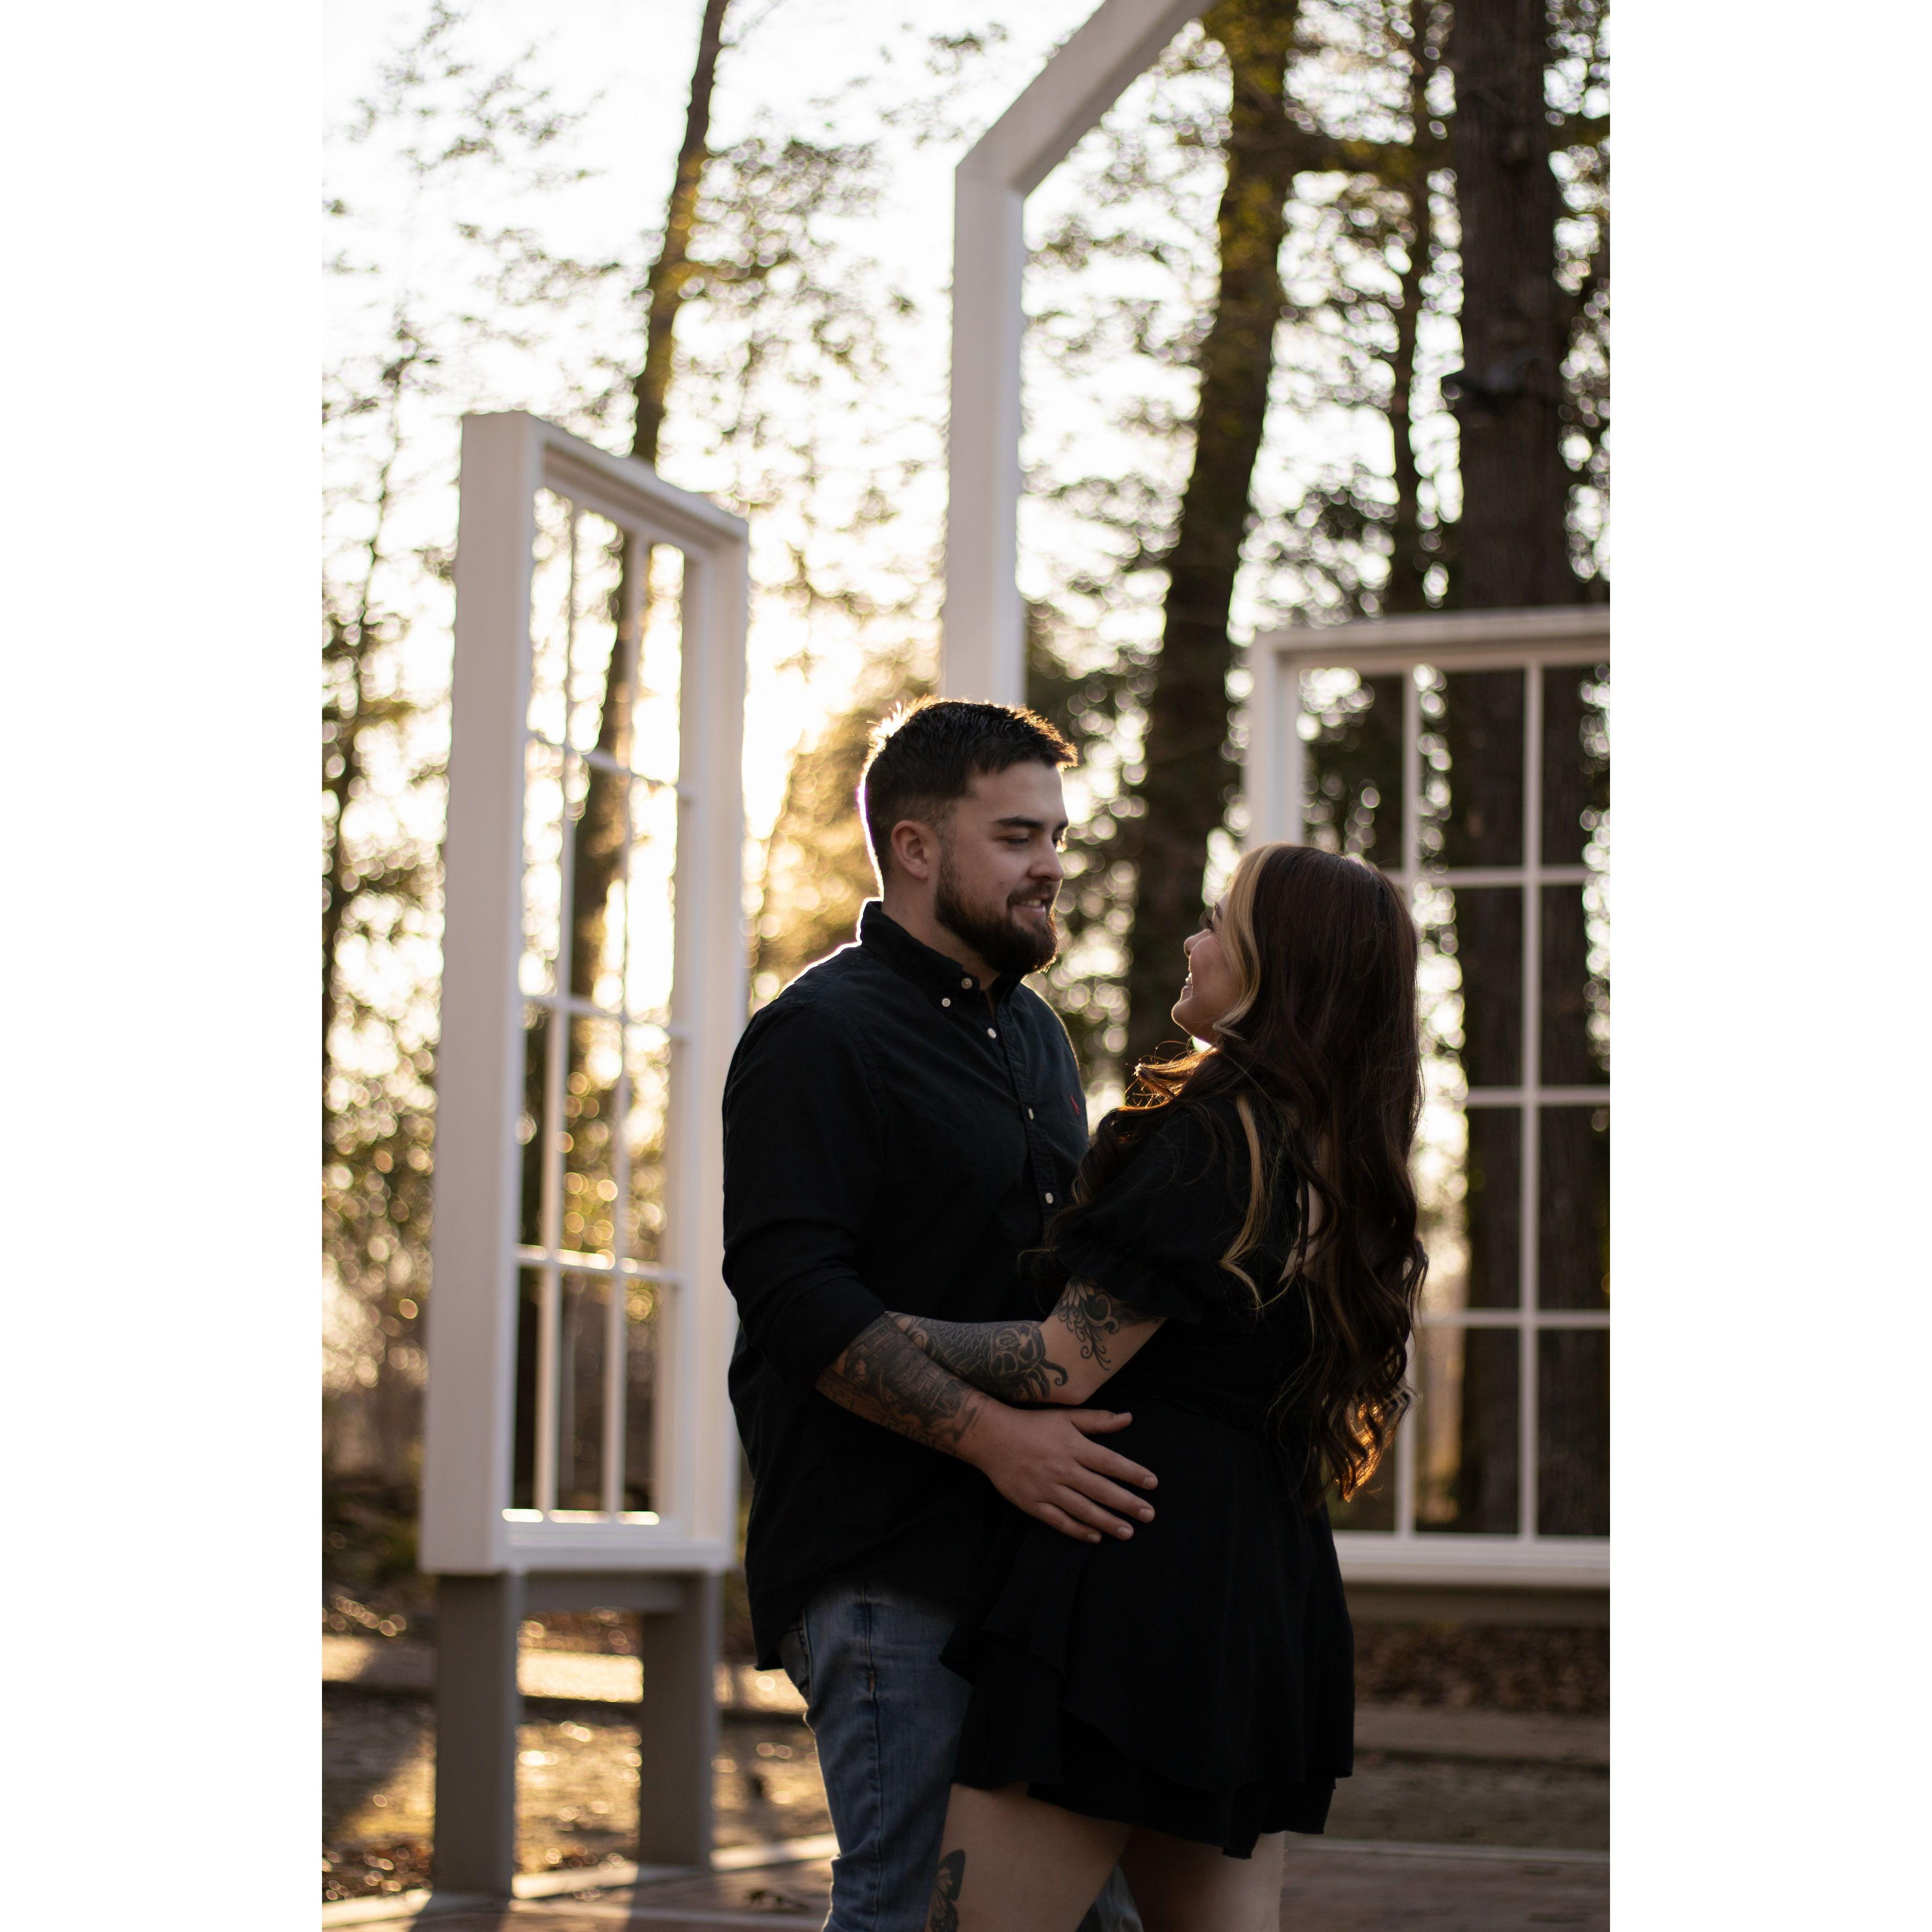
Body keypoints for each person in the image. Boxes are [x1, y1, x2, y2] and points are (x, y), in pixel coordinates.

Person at [891, 841, 1428, 1932]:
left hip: (1136, 1577)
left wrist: (874, 1329)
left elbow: (1064, 1360)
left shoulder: (1217, 1139)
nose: (1193, 941)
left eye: (1219, 924)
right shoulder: (1341, 1164)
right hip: (1260, 1591)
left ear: (1277, 966)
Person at [722, 699, 1150, 1932]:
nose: (1051, 864)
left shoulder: (1037, 1039)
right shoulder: (817, 1035)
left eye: (1056, 834)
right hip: (882, 1564)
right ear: (914, 848)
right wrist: (995, 1439)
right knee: (911, 1907)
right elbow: (796, 1299)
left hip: (1032, 1572)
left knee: (1079, 1917)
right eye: (1016, 836)